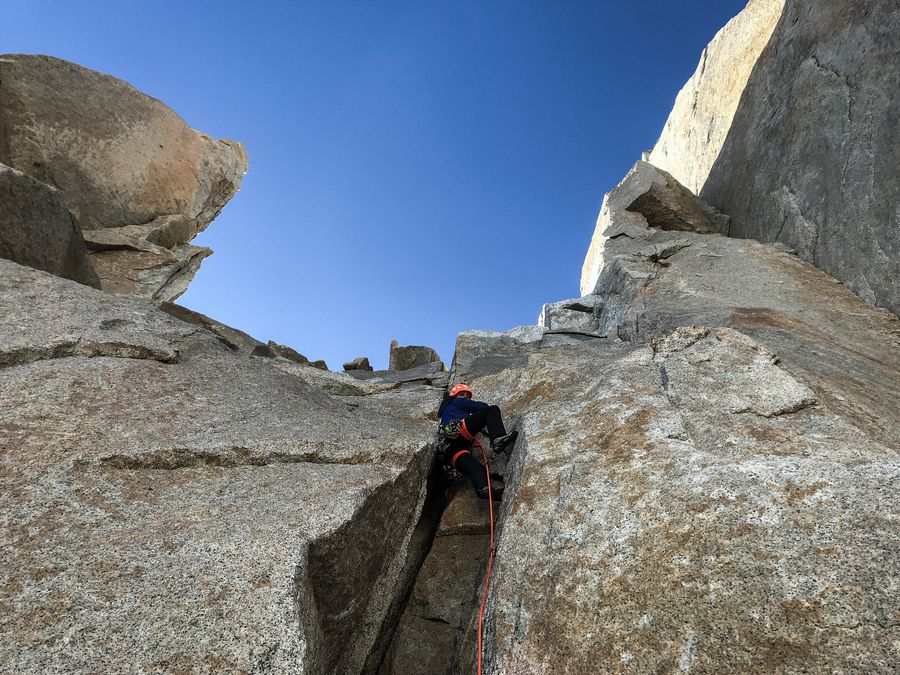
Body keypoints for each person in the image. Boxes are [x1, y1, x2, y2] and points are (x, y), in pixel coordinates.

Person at [437, 383, 517, 500]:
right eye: (462, 394)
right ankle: (498, 439)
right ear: (454, 395)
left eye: (467, 396)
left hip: (451, 450)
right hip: (460, 431)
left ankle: (484, 491)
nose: (465, 397)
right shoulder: (455, 401)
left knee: (476, 468)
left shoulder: (446, 411)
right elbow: (483, 407)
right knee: (492, 410)